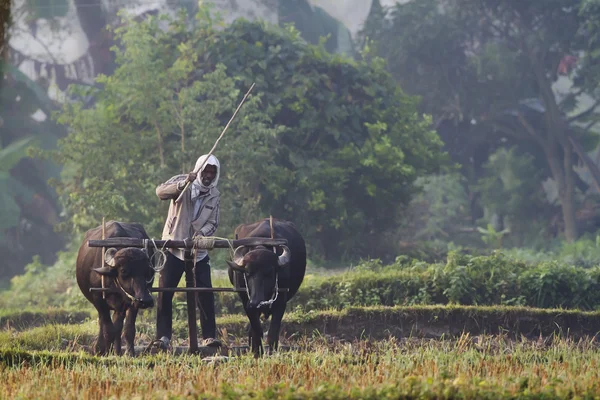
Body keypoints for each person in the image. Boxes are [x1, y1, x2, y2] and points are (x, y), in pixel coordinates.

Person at [154, 154, 222, 348]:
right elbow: (160, 192)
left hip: (198, 252)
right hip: (174, 247)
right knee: (165, 293)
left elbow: (213, 223)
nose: (208, 175)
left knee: (205, 293)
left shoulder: (215, 195)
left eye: (212, 172)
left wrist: (202, 234)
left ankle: (209, 336)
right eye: (206, 170)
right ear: (199, 169)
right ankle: (163, 337)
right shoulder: (183, 179)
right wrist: (183, 183)